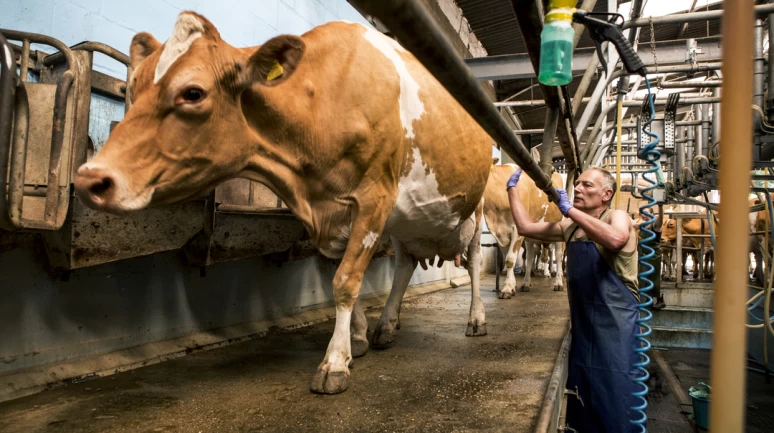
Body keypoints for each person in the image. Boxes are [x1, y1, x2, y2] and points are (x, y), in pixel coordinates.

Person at [506, 167, 642, 433]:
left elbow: (615, 239)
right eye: (577, 184)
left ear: (606, 194)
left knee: (615, 393)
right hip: (584, 328)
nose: (578, 188)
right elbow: (525, 227)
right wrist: (511, 189)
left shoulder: (618, 217)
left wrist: (570, 211)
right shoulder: (571, 227)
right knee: (583, 393)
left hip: (617, 327)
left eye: (587, 185)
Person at [638, 204, 666, 310]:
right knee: (644, 278)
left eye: (646, 212)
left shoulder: (655, 225)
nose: (644, 215)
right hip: (643, 255)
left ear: (652, 214)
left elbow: (661, 218)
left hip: (654, 255)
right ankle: (648, 300)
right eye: (642, 213)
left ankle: (660, 300)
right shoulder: (642, 226)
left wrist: (660, 206)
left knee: (654, 277)